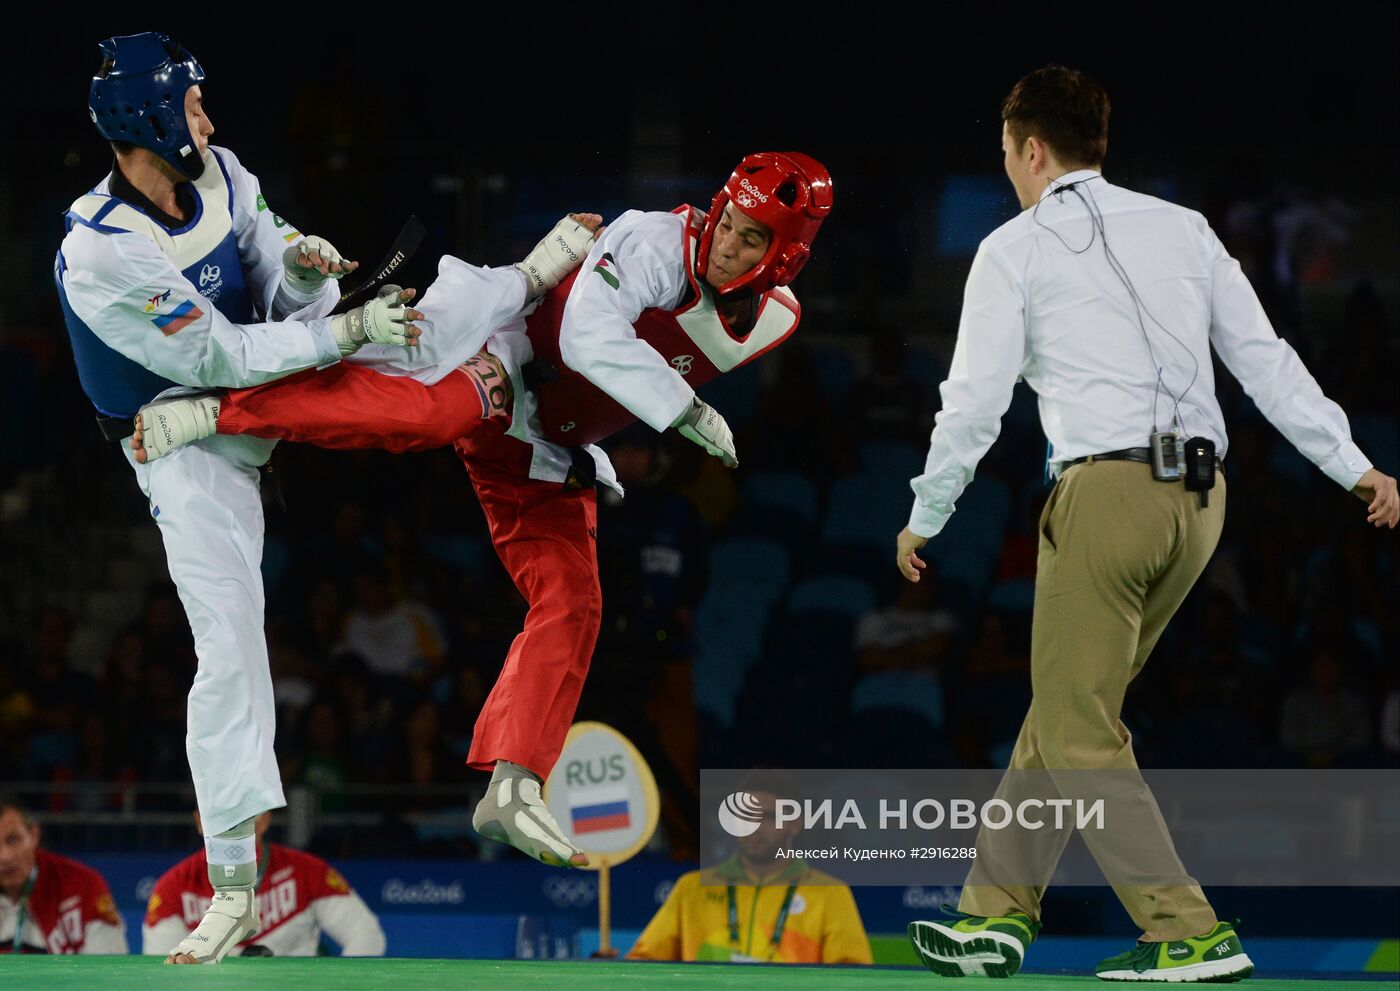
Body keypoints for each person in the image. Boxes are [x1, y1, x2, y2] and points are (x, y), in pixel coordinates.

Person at [130, 152, 834, 870]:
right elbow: (587, 337)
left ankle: (514, 784)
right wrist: (684, 409)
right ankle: (215, 410)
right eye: (728, 223)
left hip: (550, 449)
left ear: (784, 261)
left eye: (751, 241)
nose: (725, 245)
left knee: (574, 600)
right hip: (507, 354)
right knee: (429, 418)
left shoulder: (774, 322)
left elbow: (634, 373)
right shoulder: (656, 242)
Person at [55, 32, 590, 964]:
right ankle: (231, 882)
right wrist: (339, 330)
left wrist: (305, 268)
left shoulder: (220, 171)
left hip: (272, 362)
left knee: (427, 334)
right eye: (190, 108)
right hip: (182, 431)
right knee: (229, 637)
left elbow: (269, 289)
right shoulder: (103, 253)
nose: (208, 123)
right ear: (146, 120)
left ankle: (530, 279)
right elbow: (219, 358)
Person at [895, 65, 1399, 983]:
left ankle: (1184, 927)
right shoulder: (1187, 229)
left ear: (1032, 148)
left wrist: (926, 513)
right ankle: (990, 917)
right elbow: (1268, 362)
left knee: (1080, 725)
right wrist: (1354, 463)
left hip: (1108, 496)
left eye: (1006, 152)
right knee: (1064, 709)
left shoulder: (1012, 248)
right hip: (1201, 503)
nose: (1007, 167)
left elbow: (972, 403)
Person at [626, 787, 871, 964]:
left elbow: (854, 977)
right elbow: (644, 964)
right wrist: (609, 968)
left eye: (768, 816)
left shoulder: (829, 892)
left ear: (795, 823)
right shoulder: (692, 888)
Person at [142, 811, 385, 958]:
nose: (229, 830)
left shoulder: (307, 871)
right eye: (217, 816)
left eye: (241, 818)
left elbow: (366, 934)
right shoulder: (172, 887)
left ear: (264, 820)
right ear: (199, 821)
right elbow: (163, 967)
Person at [0, 793, 127, 954]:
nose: (5, 857)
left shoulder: (83, 886)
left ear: (34, 835)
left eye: (13, 840)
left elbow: (110, 971)